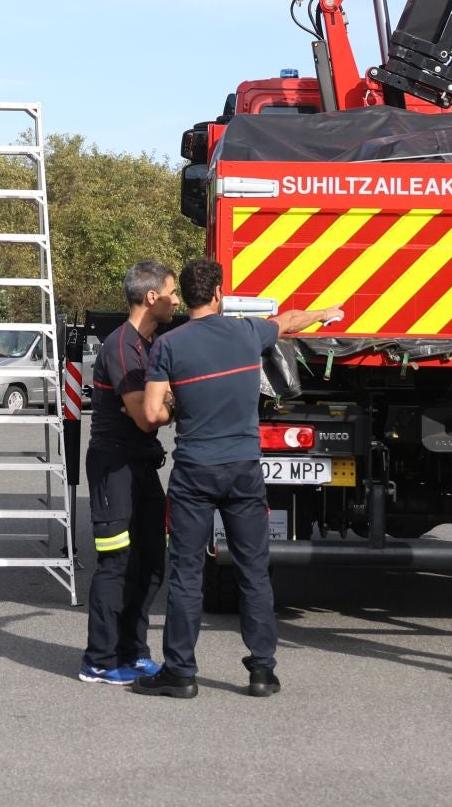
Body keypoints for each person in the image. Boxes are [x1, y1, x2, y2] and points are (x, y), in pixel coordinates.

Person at [133, 259, 341, 700]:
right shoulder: (247, 333)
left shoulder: (168, 345)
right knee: (253, 571)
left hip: (194, 472)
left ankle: (181, 673)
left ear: (183, 297)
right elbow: (288, 321)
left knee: (188, 573)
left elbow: (151, 415)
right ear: (218, 294)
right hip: (244, 470)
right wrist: (324, 313)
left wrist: (178, 403)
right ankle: (262, 672)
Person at [77, 261, 177, 685]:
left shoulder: (154, 343)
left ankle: (134, 652)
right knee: (116, 562)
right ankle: (99, 661)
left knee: (151, 560)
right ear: (151, 297)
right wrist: (172, 402)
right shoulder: (121, 346)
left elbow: (153, 410)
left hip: (141, 466)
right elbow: (146, 418)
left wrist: (164, 401)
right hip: (113, 465)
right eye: (172, 292)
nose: (177, 300)